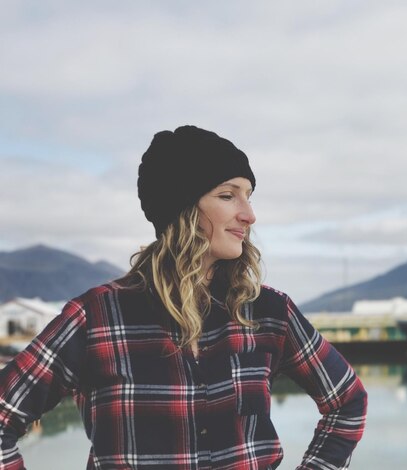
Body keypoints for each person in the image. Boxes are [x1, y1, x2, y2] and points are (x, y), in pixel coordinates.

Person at [0, 125, 367, 469]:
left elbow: (347, 402)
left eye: (249, 196)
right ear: (183, 209)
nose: (249, 214)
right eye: (228, 195)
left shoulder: (270, 312)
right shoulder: (96, 317)